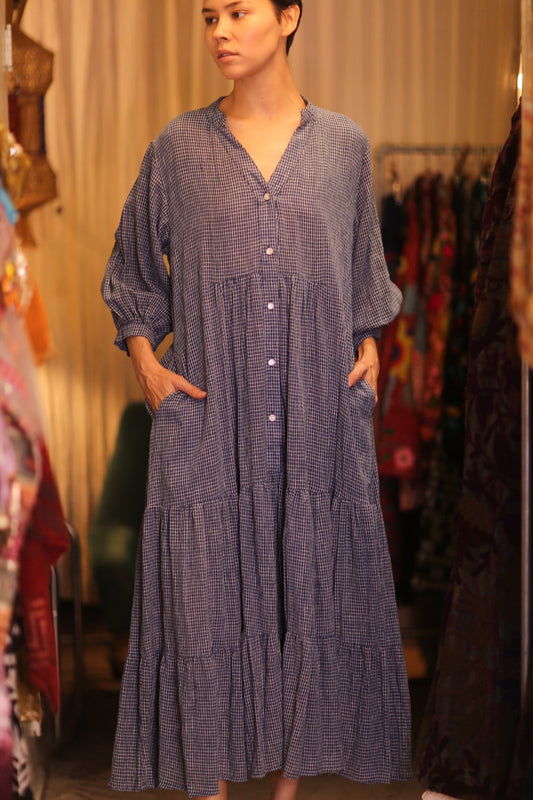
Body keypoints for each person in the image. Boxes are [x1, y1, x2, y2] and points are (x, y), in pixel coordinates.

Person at [101, 2, 411, 798]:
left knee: (302, 600)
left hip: (315, 428)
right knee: (206, 614)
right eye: (209, 16)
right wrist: (145, 360)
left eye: (238, 12)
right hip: (209, 431)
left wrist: (371, 344)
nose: (219, 31)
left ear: (288, 16)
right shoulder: (178, 149)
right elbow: (132, 270)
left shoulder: (343, 148)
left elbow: (363, 279)